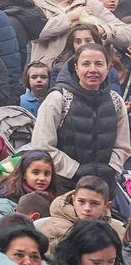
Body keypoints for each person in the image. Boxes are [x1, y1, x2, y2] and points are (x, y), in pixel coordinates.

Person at [29, 43, 130, 177]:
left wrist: (109, 168)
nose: (93, 69)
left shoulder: (116, 101)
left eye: (99, 64)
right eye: (86, 64)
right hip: (64, 184)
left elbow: (123, 145)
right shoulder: (58, 98)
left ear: (108, 68)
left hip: (103, 186)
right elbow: (42, 145)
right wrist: (74, 170)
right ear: (76, 68)